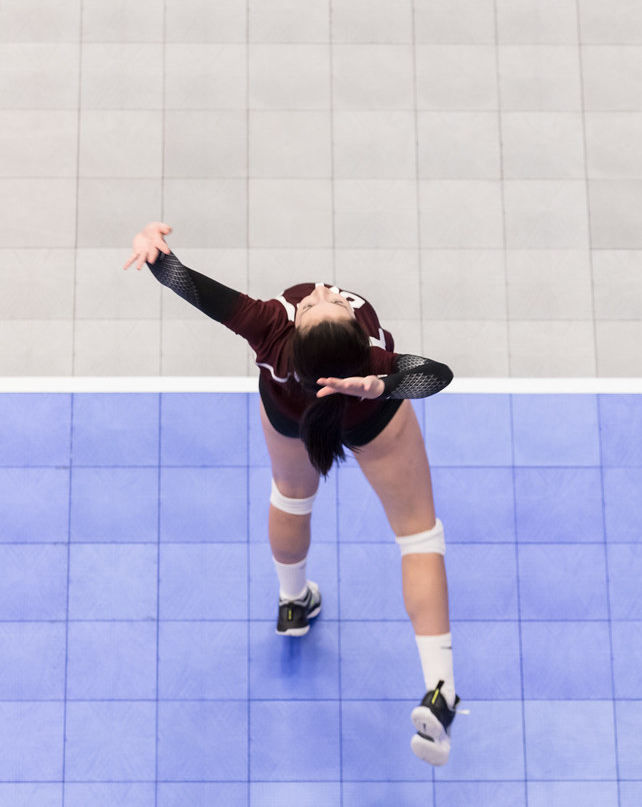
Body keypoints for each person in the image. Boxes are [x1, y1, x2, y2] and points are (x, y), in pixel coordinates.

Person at [125, 221, 459, 766]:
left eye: (321, 304)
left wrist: (153, 251)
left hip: (288, 415)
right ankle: (441, 689)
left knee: (291, 496)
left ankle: (293, 603)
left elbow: (186, 284)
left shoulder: (270, 328)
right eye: (322, 304)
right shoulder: (373, 362)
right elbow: (436, 374)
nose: (323, 293)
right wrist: (378, 385)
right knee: (419, 536)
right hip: (374, 421)